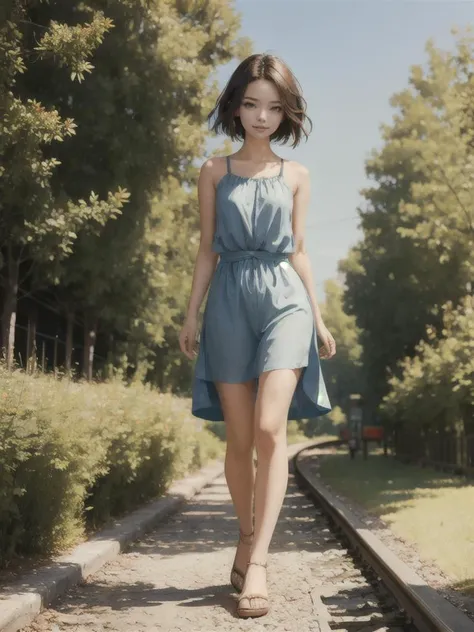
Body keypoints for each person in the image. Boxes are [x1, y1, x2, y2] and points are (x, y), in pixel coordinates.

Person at [179, 53, 335, 619]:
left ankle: (260, 561)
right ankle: (246, 536)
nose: (262, 116)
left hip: (284, 299)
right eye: (252, 104)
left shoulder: (297, 176)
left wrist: (317, 316)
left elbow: (298, 250)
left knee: (272, 429)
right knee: (239, 441)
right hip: (226, 300)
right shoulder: (213, 171)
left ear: (285, 112)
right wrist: (191, 313)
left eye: (273, 106)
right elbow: (205, 249)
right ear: (236, 106)